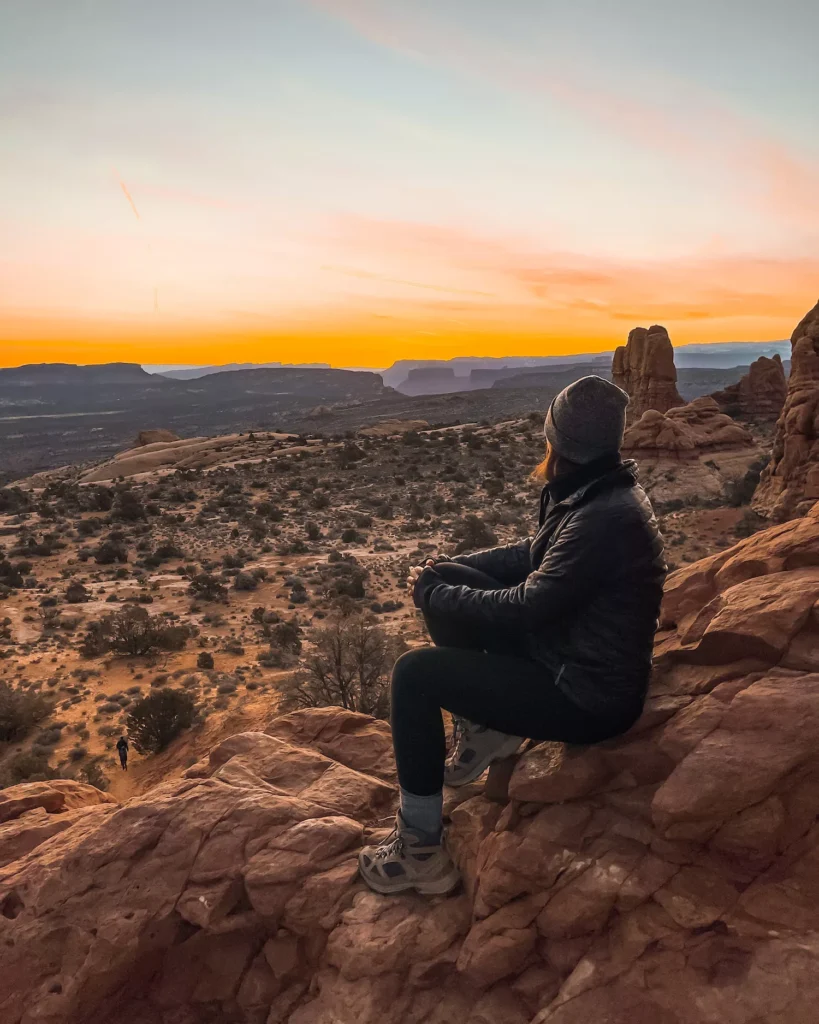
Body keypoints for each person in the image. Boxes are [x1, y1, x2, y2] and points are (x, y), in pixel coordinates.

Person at [359, 375, 667, 896]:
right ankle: (487, 732)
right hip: (567, 656)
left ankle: (420, 851)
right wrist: (450, 569)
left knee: (413, 676)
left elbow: (526, 607)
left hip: (586, 697)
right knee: (449, 582)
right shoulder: (595, 491)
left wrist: (433, 596)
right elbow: (534, 555)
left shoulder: (604, 517)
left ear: (559, 443)